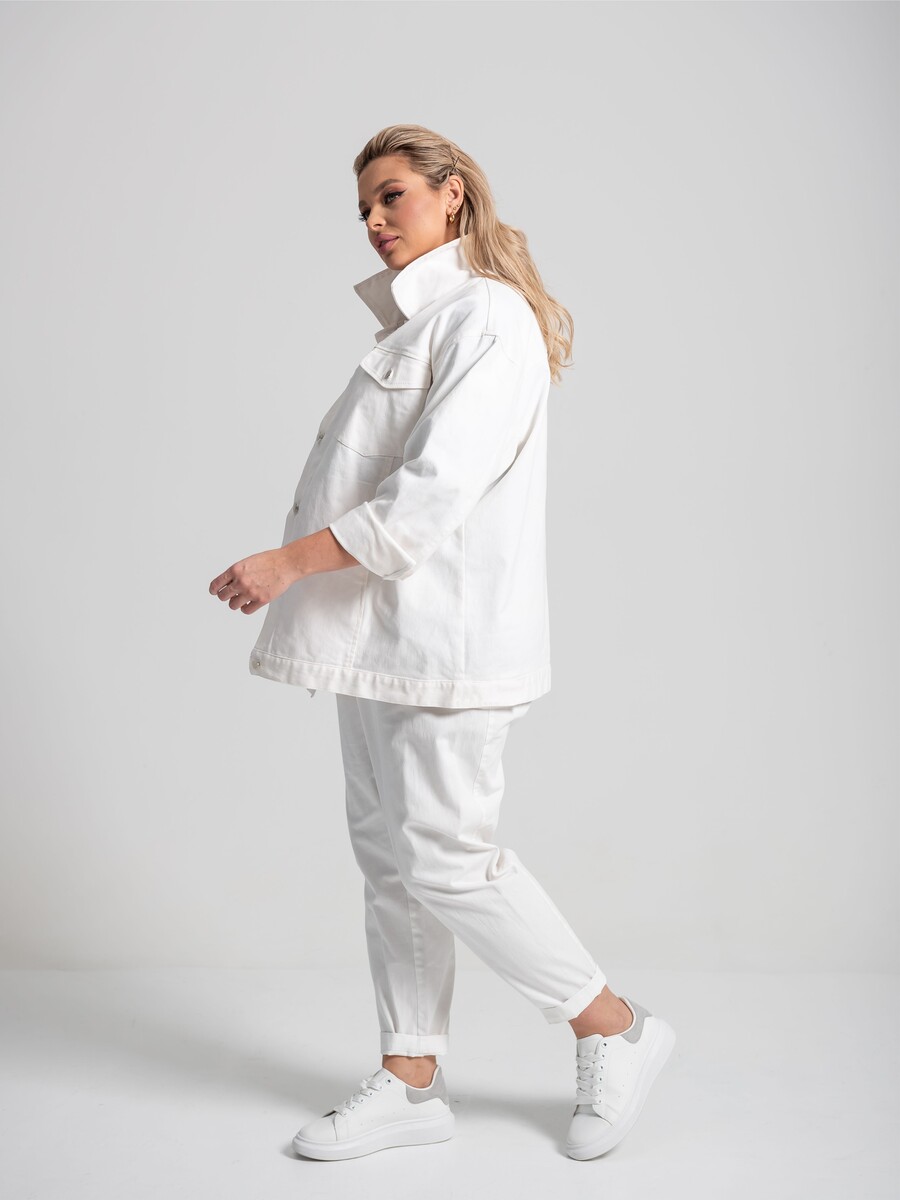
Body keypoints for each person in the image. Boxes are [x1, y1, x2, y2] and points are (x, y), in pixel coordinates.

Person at [208, 124, 675, 1162]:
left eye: (393, 196)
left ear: (451, 192)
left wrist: (286, 564)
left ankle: (613, 1026)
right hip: (375, 638)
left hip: (448, 643)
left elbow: (430, 494)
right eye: (364, 208)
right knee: (390, 859)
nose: (375, 221)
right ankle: (413, 1079)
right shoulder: (418, 322)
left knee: (446, 858)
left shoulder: (488, 317)